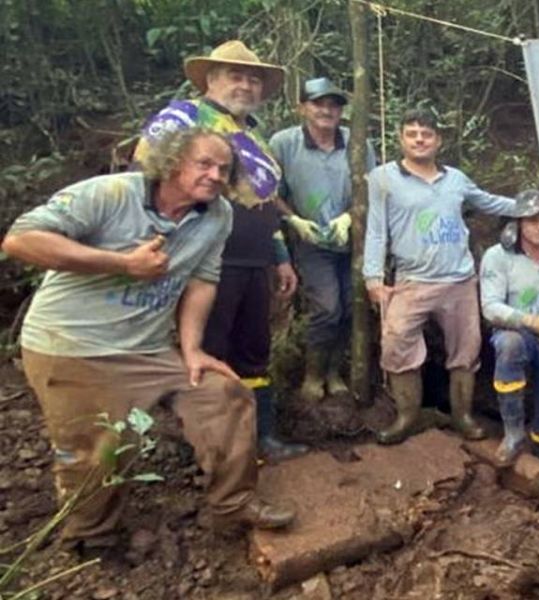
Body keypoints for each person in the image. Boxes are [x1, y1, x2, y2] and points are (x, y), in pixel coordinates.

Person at [3, 128, 295, 550]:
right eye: (204, 164)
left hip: (149, 348)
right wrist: (121, 263)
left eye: (224, 169)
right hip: (71, 346)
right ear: (174, 162)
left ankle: (232, 505)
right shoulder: (110, 194)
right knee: (100, 448)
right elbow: (21, 239)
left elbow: (202, 280)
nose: (215, 175)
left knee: (224, 395)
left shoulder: (217, 215)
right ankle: (90, 538)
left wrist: (193, 349)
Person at [134, 40, 305, 462]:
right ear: (211, 78)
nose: (246, 85)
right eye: (236, 75)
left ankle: (259, 438)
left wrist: (279, 255)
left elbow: (264, 202)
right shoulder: (187, 116)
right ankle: (212, 446)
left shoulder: (253, 135)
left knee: (254, 349)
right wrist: (157, 235)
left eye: (253, 78)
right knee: (209, 350)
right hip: (206, 258)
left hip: (254, 259)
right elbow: (147, 169)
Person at [364, 108, 515, 444]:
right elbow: (376, 231)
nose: (420, 139)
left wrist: (531, 207)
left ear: (438, 140)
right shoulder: (383, 178)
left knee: (466, 348)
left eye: (427, 134)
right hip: (410, 280)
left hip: (458, 280)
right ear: (401, 138)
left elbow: (489, 202)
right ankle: (408, 416)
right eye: (412, 133)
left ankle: (462, 415)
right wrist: (372, 277)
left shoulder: (456, 179)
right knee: (396, 344)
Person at [269, 77, 376, 405]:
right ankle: (313, 375)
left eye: (334, 104)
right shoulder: (284, 143)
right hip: (312, 242)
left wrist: (349, 217)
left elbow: (370, 187)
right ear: (302, 107)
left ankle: (333, 372)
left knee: (349, 308)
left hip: (353, 239)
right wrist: (294, 221)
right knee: (327, 308)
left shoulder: (357, 142)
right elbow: (269, 193)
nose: (327, 110)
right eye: (318, 103)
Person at [479, 190, 539, 465]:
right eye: (532, 220)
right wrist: (534, 321)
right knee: (509, 346)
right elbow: (490, 306)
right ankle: (513, 434)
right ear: (517, 224)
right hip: (518, 331)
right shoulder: (497, 257)